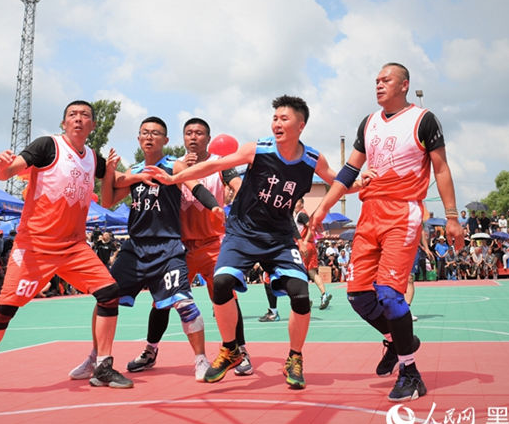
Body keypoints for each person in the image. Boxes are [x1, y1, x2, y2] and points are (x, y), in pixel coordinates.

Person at [147, 96, 365, 388]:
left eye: (284, 119)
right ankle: (230, 349)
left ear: (301, 125)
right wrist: (175, 179)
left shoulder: (312, 160)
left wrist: (362, 182)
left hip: (279, 238)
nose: (277, 123)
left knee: (301, 295)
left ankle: (295, 357)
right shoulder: (257, 149)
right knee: (222, 283)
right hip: (242, 232)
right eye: (274, 118)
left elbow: (338, 181)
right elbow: (215, 166)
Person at [0, 100, 131, 396]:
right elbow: (8, 171)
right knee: (5, 309)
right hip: (35, 245)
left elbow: (116, 182)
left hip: (73, 247)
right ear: (64, 123)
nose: (78, 118)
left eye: (85, 115)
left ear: (93, 125)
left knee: (109, 292)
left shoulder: (92, 158)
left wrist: (145, 175)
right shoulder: (48, 146)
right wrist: (2, 168)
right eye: (72, 114)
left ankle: (103, 364)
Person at [309, 62, 464, 402]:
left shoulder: (423, 120)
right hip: (369, 215)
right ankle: (398, 341)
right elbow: (349, 171)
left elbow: (441, 168)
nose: (378, 84)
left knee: (390, 295)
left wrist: (452, 216)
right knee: (358, 297)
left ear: (404, 85)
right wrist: (321, 208)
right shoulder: (369, 123)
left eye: (386, 80)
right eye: (376, 80)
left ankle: (410, 373)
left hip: (402, 213)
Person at [122, 117, 251, 378]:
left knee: (226, 298)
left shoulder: (220, 164)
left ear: (208, 138)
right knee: (162, 301)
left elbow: (238, 186)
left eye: (199, 133)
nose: (193, 137)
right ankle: (150, 350)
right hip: (180, 246)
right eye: (189, 133)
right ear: (182, 138)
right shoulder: (173, 166)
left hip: (214, 244)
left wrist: (234, 202)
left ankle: (240, 350)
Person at [97, 116, 216, 382]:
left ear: (166, 140)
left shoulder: (174, 165)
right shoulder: (134, 171)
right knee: (106, 297)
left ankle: (201, 360)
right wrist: (109, 173)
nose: (149, 136)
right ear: (139, 138)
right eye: (145, 132)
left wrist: (215, 207)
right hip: (136, 247)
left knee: (184, 304)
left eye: (155, 133)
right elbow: (107, 201)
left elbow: (195, 186)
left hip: (168, 246)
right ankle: (97, 358)